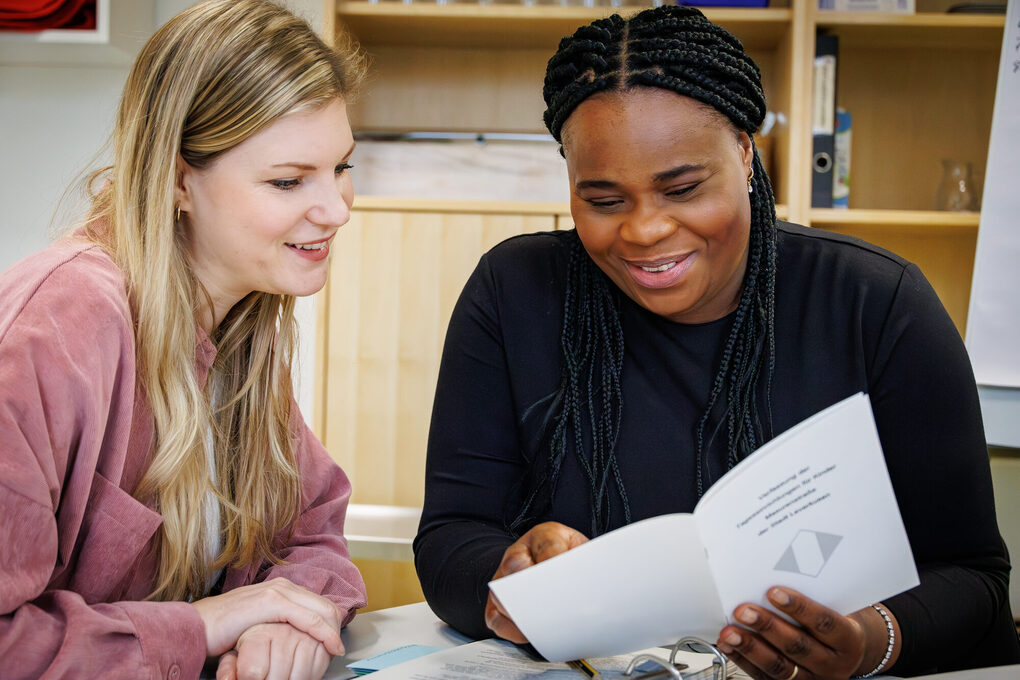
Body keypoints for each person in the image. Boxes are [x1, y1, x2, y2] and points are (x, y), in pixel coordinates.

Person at [414, 5, 1020, 678]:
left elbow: (972, 577)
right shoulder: (515, 292)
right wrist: (511, 583)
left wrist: (865, 640)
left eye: (683, 188)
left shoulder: (876, 303)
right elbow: (450, 539)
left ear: (744, 152)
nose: (645, 230)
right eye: (604, 201)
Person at [0, 1, 368, 678]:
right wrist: (197, 627)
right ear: (177, 181)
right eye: (288, 181)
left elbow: (312, 527)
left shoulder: (242, 319)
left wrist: (285, 619)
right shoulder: (58, 325)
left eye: (341, 167)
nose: (336, 209)